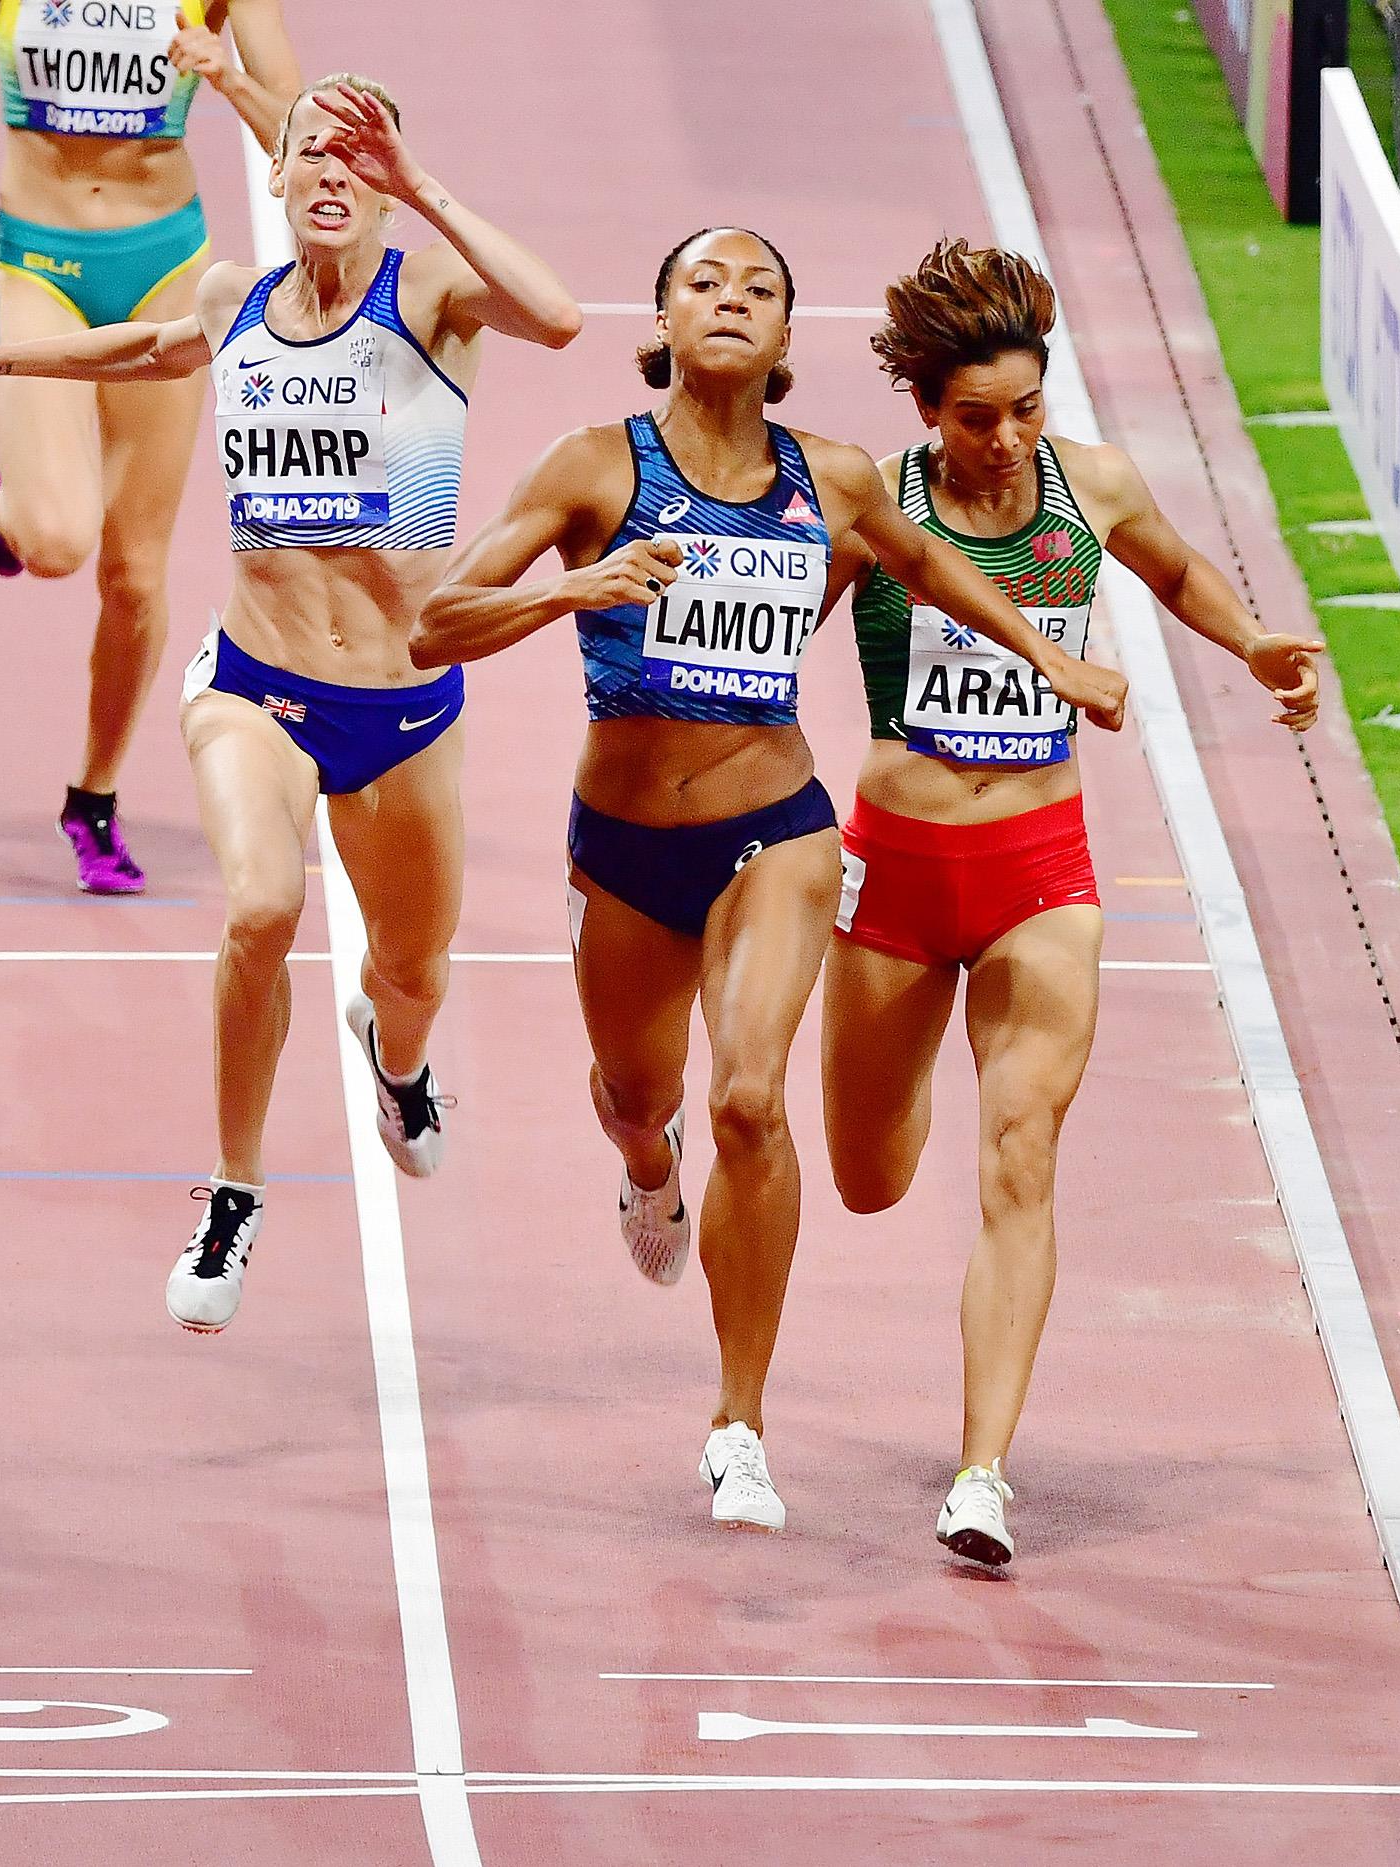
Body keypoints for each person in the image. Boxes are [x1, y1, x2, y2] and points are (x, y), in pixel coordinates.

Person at [414, 227, 1127, 1532]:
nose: (732, 302)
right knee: (646, 1092)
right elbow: (432, 621)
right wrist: (578, 586)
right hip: (624, 846)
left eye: (761, 290)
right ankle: (645, 1159)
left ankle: (739, 1422)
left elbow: (942, 574)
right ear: (665, 319)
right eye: (705, 283)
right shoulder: (593, 465)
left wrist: (1056, 658)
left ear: (790, 339)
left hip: (779, 834)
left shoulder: (837, 480)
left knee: (753, 1095)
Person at [0, 78, 581, 1329]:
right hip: (256, 688)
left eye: (357, 156)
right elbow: (140, 347)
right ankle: (233, 1191)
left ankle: (401, 1061)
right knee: (263, 902)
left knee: (413, 969)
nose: (331, 168)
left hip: (405, 704)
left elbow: (560, 317)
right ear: (273, 178)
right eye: (310, 148)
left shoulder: (430, 298)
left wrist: (418, 181)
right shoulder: (232, 302)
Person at [821, 238, 1321, 1566]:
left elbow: (1174, 568)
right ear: (927, 408)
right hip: (899, 874)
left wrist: (1253, 639)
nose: (1004, 440)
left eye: (1025, 409)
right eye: (976, 417)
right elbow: (771, 633)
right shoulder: (872, 500)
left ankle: (983, 1469)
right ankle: (916, 1055)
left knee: (1023, 1150)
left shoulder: (1085, 484)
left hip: (1043, 871)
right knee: (869, 1177)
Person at [0, 0, 299, 892]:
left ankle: (95, 797)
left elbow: (299, 131)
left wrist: (225, 73)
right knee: (57, 542)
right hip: (37, 263)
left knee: (135, 575)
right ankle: (19, 498)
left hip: (168, 274)